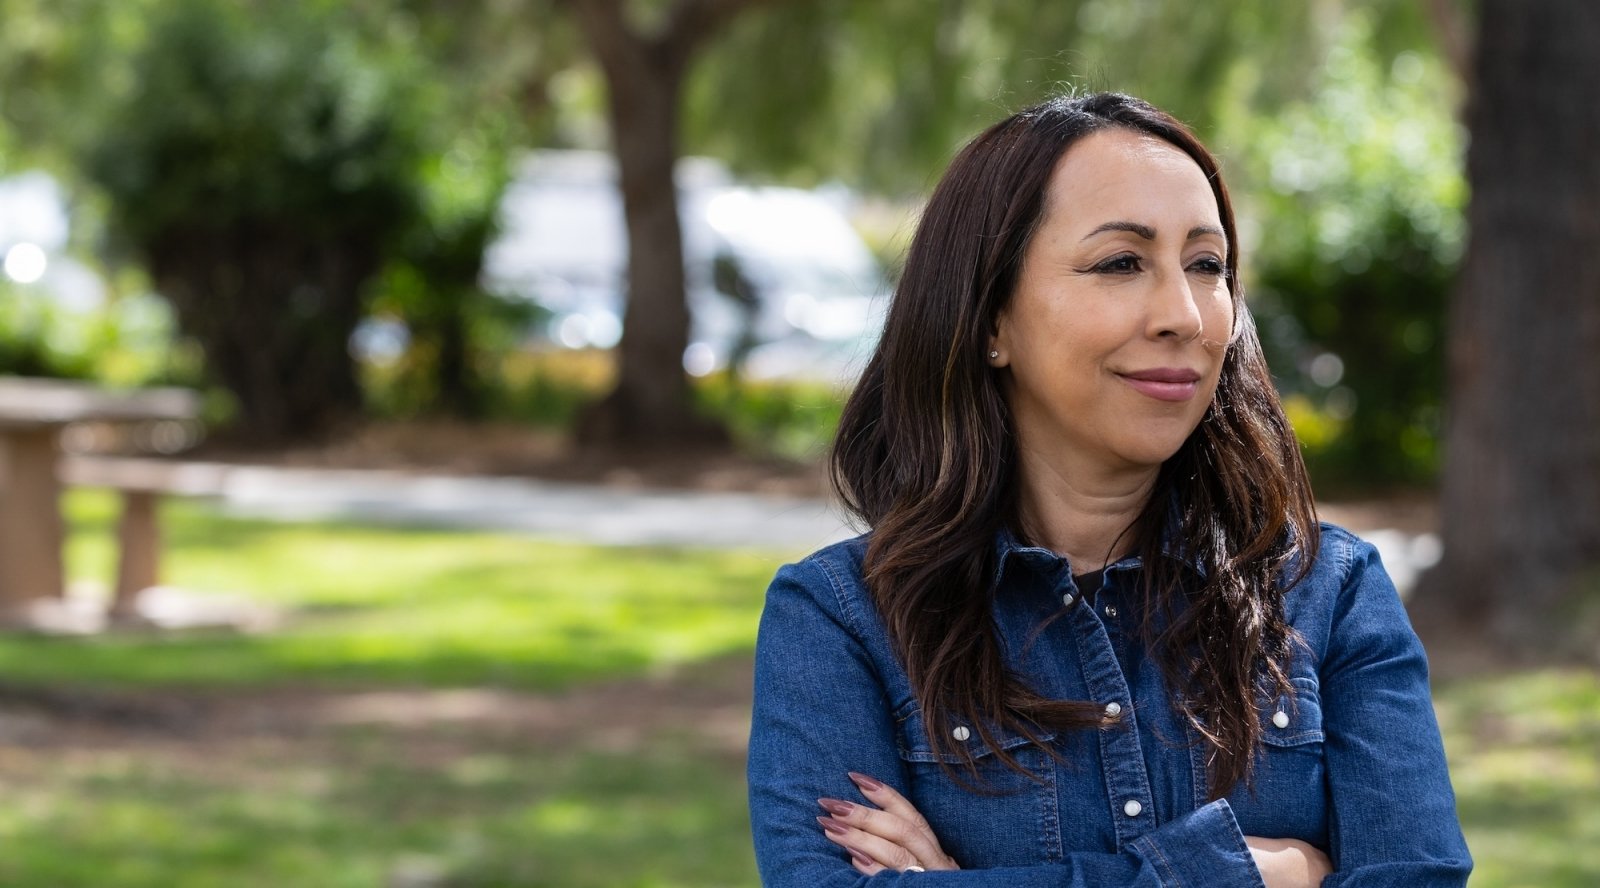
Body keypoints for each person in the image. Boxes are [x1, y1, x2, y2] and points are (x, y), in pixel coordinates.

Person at [746, 92, 1471, 887]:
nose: (1185, 316)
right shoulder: (842, 619)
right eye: (1121, 263)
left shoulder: (1326, 592)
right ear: (990, 320)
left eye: (1207, 266)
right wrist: (1253, 872)